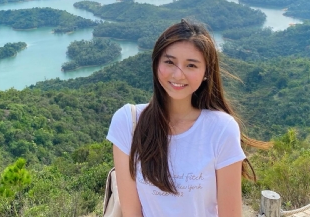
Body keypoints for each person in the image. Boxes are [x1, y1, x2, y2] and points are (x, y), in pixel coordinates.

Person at [107, 19, 268, 217]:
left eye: (191, 65)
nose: (178, 74)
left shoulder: (221, 129)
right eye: (169, 62)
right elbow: (131, 212)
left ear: (206, 72)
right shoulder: (128, 122)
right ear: (156, 63)